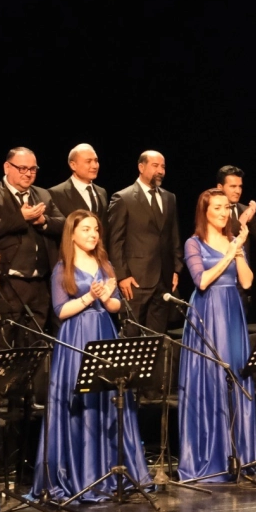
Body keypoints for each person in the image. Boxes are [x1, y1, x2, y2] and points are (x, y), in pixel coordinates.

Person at [34, 210, 149, 501]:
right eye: (86, 229)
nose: (93, 234)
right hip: (76, 338)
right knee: (82, 400)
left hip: (103, 332)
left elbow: (116, 306)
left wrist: (108, 296)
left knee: (108, 398)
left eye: (95, 229)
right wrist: (89, 297)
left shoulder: (104, 264)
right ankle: (82, 473)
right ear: (72, 234)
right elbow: (61, 310)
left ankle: (111, 470)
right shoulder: (63, 268)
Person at [177, 190, 256, 482]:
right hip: (208, 312)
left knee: (235, 374)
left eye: (227, 208)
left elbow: (246, 282)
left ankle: (239, 453)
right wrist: (230, 252)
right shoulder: (193, 243)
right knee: (211, 377)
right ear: (205, 212)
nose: (224, 213)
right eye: (218, 208)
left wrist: (238, 251)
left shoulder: (233, 241)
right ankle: (211, 456)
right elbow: (202, 281)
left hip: (232, 311)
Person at [0, 147, 65, 349]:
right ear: (7, 167)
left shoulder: (43, 194)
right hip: (6, 284)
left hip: (39, 284)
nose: (28, 173)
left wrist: (43, 221)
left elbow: (63, 223)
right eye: (22, 168)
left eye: (33, 169)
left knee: (35, 346)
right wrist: (20, 218)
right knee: (3, 346)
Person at [107, 151, 182, 397]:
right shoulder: (123, 197)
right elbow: (115, 241)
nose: (160, 170)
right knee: (132, 334)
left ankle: (151, 390)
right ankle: (128, 390)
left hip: (163, 278)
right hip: (135, 279)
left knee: (156, 336)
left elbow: (173, 235)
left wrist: (176, 268)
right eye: (155, 165)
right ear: (141, 167)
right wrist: (122, 275)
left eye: (163, 166)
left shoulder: (169, 197)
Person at [47, 143, 109, 225]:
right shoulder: (56, 193)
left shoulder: (102, 192)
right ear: (73, 165)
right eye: (88, 161)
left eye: (96, 161)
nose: (94, 166)